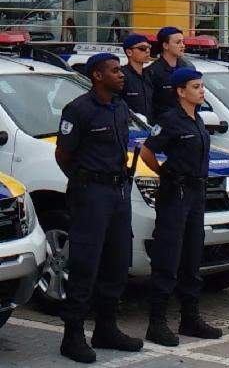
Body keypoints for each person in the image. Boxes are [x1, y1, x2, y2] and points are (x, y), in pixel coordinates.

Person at [55, 53, 143, 363]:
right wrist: (86, 182)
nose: (121, 75)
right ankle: (73, 335)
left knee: (117, 262)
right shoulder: (79, 110)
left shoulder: (119, 107)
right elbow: (63, 154)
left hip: (118, 192)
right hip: (91, 193)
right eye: (115, 71)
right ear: (97, 75)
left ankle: (106, 327)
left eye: (121, 70)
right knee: (85, 264)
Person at [139, 68, 223, 346]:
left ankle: (190, 317)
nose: (201, 91)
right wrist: (163, 173)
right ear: (180, 91)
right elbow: (148, 151)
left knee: (191, 255)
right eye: (196, 86)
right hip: (176, 192)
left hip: (196, 193)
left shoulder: (197, 119)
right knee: (168, 256)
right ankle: (157, 322)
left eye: (202, 86)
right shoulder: (170, 120)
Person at [146, 27, 194, 121]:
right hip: (164, 125)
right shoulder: (153, 72)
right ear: (165, 45)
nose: (182, 45)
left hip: (186, 124)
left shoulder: (187, 68)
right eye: (178, 42)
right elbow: (149, 105)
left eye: (183, 42)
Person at [120, 34, 154, 120]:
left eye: (149, 47)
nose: (147, 51)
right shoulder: (122, 76)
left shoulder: (149, 75)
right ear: (129, 52)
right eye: (142, 48)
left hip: (149, 128)